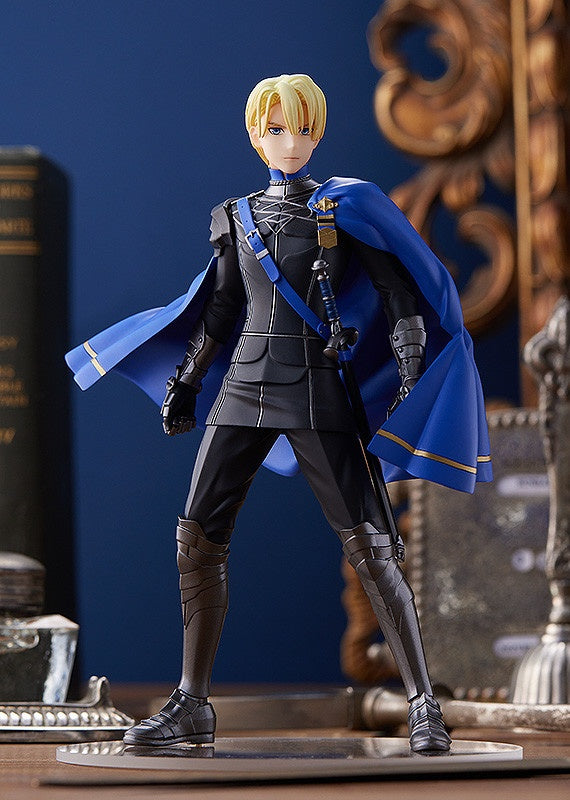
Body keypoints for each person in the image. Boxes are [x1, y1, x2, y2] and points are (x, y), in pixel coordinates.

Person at [66, 74, 492, 754]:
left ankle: (422, 704)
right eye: (274, 129)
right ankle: (192, 703)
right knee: (197, 537)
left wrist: (411, 375)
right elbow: (220, 309)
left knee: (372, 543)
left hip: (317, 387)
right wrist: (185, 381)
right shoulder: (235, 217)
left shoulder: (346, 208)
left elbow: (400, 296)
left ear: (317, 134)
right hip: (243, 385)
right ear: (254, 135)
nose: (288, 141)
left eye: (301, 129)